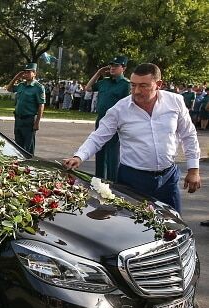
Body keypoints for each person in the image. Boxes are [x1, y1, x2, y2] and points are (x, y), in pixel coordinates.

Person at [64, 63, 201, 213]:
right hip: (133, 180)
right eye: (133, 85)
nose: (136, 91)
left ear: (159, 85)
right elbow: (98, 137)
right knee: (135, 227)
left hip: (168, 178)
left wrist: (193, 169)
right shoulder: (119, 109)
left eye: (143, 86)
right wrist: (79, 156)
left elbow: (188, 134)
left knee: (173, 225)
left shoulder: (175, 101)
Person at [84, 55, 131, 182]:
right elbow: (88, 88)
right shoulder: (104, 82)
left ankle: (112, 183)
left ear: (123, 68)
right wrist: (98, 72)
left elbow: (128, 105)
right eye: (111, 65)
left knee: (112, 154)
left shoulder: (126, 85)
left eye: (116, 66)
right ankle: (99, 180)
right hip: (101, 120)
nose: (112, 68)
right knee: (100, 151)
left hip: (116, 122)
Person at [5, 63, 45, 155]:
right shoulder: (21, 85)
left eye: (28, 72)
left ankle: (28, 166)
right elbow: (9, 88)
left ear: (34, 73)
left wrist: (37, 122)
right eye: (25, 72)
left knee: (28, 147)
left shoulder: (38, 87)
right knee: (18, 146)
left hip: (29, 120)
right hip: (18, 119)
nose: (25, 74)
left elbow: (41, 105)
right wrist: (16, 77)